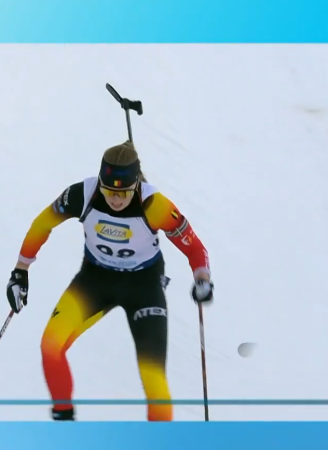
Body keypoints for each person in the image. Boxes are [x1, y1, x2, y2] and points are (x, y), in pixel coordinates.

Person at [5, 141, 214, 422]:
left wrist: (202, 278)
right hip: (96, 280)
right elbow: (42, 224)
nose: (115, 200)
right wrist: (20, 271)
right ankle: (64, 422)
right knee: (50, 346)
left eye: (123, 193)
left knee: (154, 381)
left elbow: (194, 248)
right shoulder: (83, 194)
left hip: (144, 287)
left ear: (137, 184)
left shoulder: (155, 204)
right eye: (109, 191)